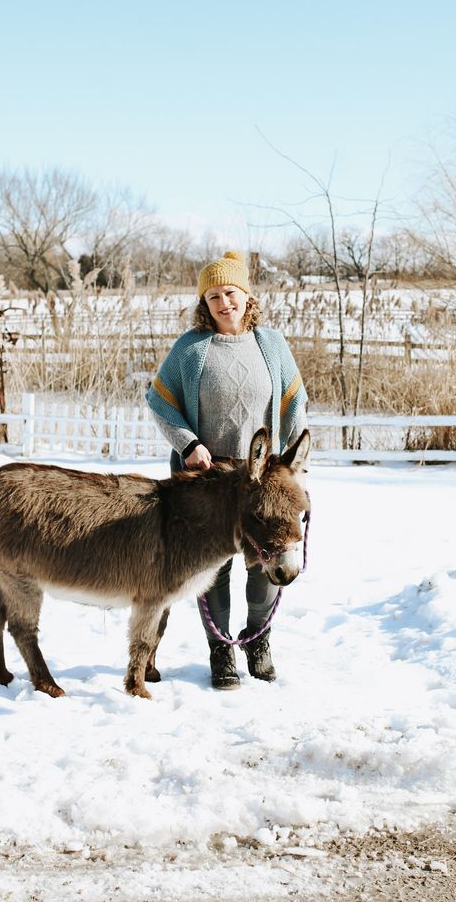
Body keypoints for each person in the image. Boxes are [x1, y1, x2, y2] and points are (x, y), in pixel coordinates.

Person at [146, 250, 308, 690]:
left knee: (265, 558)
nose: (223, 302)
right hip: (208, 481)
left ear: (246, 296)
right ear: (205, 302)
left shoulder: (270, 344)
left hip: (260, 481)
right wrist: (190, 445)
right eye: (213, 295)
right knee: (212, 569)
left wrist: (292, 467)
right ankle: (220, 651)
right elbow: (159, 402)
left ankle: (258, 640)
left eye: (230, 292)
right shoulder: (191, 349)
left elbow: (295, 404)